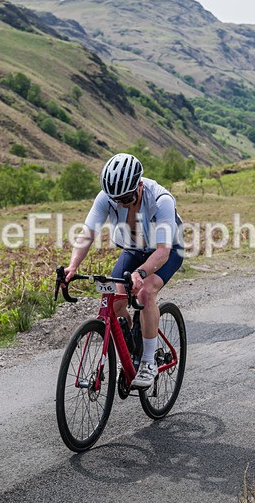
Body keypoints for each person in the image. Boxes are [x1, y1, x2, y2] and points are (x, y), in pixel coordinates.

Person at [63, 153, 184, 388]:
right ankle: (130, 348)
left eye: (126, 198)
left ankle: (148, 362)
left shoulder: (161, 200)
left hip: (166, 249)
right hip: (133, 248)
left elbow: (162, 252)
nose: (120, 203)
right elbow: (87, 234)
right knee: (115, 300)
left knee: (145, 292)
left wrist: (141, 273)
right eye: (115, 199)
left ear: (140, 185)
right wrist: (72, 266)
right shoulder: (107, 198)